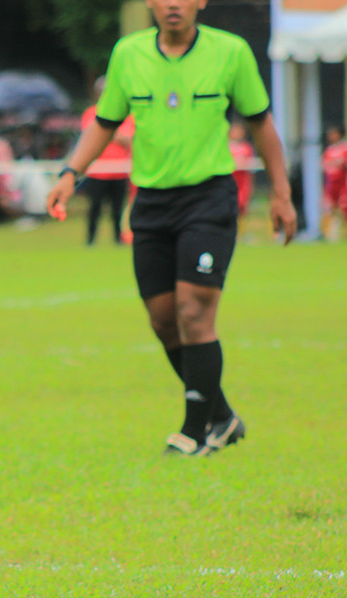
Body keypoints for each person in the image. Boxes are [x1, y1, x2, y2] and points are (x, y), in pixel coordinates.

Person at [46, 0, 297, 457]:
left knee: (195, 312)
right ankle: (223, 417)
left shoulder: (232, 52)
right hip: (152, 202)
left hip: (209, 198)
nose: (173, 4)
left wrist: (281, 193)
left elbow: (261, 126)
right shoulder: (129, 53)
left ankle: (194, 431)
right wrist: (70, 173)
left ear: (201, 1)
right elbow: (105, 122)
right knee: (164, 320)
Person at [79, 76, 135, 245]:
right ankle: (90, 239)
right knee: (94, 208)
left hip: (119, 171)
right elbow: (90, 137)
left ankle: (118, 239)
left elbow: (129, 138)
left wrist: (108, 134)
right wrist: (112, 135)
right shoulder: (91, 113)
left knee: (117, 209)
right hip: (97, 171)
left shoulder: (127, 114)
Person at [320, 125, 347, 240]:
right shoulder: (328, 151)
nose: (331, 136)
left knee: (344, 207)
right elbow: (324, 167)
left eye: (334, 133)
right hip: (330, 185)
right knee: (328, 208)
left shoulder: (344, 149)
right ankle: (327, 234)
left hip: (343, 185)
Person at [228, 120, 254, 220]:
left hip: (242, 183)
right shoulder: (226, 147)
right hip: (230, 183)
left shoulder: (246, 148)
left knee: (241, 209)